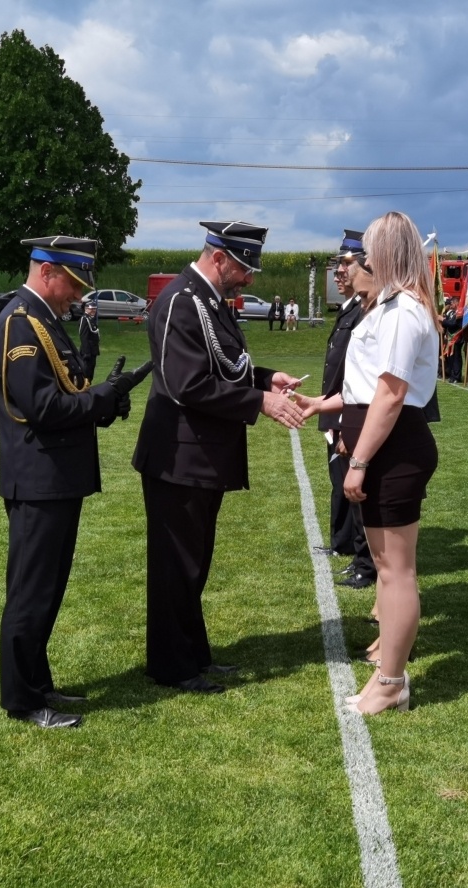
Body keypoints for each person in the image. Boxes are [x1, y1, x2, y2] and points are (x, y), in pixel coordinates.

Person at [132, 221, 307, 694]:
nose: (249, 279)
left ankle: (194, 655)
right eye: (244, 268)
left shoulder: (207, 300)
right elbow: (186, 384)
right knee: (176, 566)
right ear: (219, 258)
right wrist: (260, 402)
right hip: (178, 457)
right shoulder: (180, 301)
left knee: (194, 563)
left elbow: (225, 365)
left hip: (200, 456)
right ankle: (173, 666)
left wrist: (265, 378)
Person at [0, 235, 150, 729]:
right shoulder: (20, 323)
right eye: (74, 284)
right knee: (30, 593)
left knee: (47, 590)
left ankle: (39, 684)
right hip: (38, 481)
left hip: (55, 479)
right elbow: (42, 408)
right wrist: (101, 397)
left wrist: (107, 400)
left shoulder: (43, 319)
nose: (78, 295)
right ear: (47, 272)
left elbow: (69, 390)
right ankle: (22, 699)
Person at [298, 211, 440, 716]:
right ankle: (387, 675)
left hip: (393, 448)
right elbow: (363, 389)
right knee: (386, 568)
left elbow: (391, 394)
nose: (363, 258)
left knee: (397, 572)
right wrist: (322, 403)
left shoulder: (403, 311)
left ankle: (392, 682)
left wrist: (358, 461)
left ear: (388, 253)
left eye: (371, 248)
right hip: (382, 443)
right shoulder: (388, 306)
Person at [322, 230, 376, 590]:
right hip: (339, 411)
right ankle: (349, 548)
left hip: (351, 414)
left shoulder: (365, 311)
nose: (339, 272)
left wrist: (343, 423)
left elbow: (360, 378)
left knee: (357, 493)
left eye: (345, 264)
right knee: (342, 485)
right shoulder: (351, 310)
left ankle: (365, 563)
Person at [78, 297, 101, 380]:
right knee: (86, 372)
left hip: (93, 350)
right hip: (87, 351)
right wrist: (86, 352)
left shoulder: (90, 319)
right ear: (86, 309)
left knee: (91, 371)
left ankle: (89, 384)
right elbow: (83, 336)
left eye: (94, 309)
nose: (93, 311)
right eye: (91, 309)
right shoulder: (84, 319)